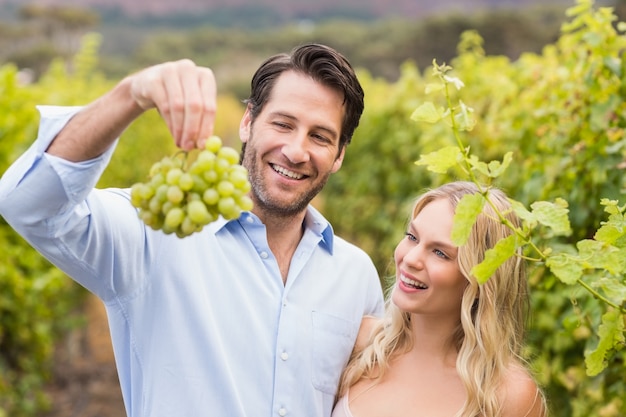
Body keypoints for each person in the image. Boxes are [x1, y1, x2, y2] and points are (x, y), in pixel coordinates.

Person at [0, 43, 384, 417]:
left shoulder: (357, 275)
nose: (297, 151)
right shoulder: (156, 229)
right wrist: (130, 95)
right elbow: (29, 205)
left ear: (339, 155)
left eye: (320, 136)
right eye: (283, 124)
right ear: (248, 122)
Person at [333, 181, 547, 417]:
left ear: (480, 278)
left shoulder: (510, 395)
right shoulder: (359, 345)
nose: (411, 258)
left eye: (440, 253)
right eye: (412, 237)